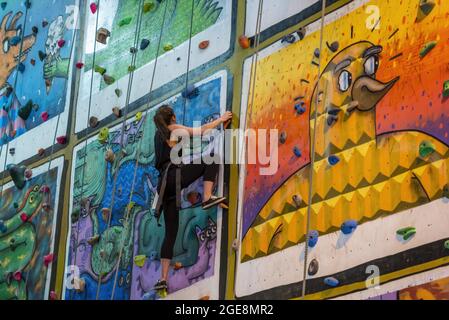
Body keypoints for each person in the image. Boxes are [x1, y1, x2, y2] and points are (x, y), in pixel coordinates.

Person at [152, 105, 232, 291]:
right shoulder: (172, 129)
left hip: (164, 187)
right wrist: (221, 120)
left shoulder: (159, 136)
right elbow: (201, 131)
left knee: (170, 234)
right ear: (172, 117)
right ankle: (207, 196)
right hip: (173, 177)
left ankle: (162, 278)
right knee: (211, 157)